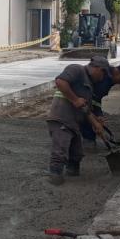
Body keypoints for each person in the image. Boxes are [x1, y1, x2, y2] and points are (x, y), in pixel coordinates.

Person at [46, 56, 110, 185]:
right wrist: (75, 99)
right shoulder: (76, 69)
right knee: (60, 149)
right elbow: (60, 82)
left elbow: (85, 109)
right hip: (61, 117)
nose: (102, 78)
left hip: (74, 122)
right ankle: (55, 176)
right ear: (98, 68)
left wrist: (96, 123)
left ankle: (72, 172)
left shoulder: (90, 85)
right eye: (103, 73)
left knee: (77, 153)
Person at [80, 62, 120, 143]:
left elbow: (97, 99)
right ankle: (88, 143)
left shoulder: (109, 80)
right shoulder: (104, 78)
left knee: (92, 122)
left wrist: (99, 114)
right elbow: (91, 99)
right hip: (78, 100)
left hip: (85, 102)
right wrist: (95, 120)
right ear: (117, 72)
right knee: (87, 123)